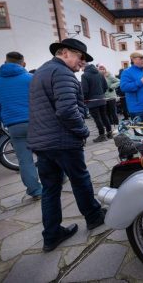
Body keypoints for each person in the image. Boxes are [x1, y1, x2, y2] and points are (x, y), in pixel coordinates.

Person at [28, 38, 106, 252]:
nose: (82, 63)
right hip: (62, 141)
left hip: (43, 142)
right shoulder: (62, 73)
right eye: (81, 57)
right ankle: (94, 216)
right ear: (65, 53)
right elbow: (66, 110)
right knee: (80, 179)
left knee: (50, 189)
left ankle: (51, 235)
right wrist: (83, 130)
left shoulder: (41, 72)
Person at [0, 52, 42, 199]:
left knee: (25, 160)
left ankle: (35, 190)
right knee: (47, 154)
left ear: (5, 62)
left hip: (14, 126)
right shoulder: (31, 78)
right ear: (23, 64)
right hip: (36, 122)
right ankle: (57, 179)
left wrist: (5, 117)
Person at [81, 62, 112, 142]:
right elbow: (105, 87)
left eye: (81, 66)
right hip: (102, 99)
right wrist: (101, 95)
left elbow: (85, 90)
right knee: (104, 116)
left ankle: (102, 135)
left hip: (92, 101)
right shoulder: (100, 74)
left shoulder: (84, 75)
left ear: (85, 66)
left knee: (97, 118)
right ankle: (109, 133)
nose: (81, 69)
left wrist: (85, 99)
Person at [120, 53, 143, 123]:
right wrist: (140, 82)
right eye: (140, 59)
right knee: (139, 132)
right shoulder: (127, 72)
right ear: (133, 60)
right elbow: (124, 87)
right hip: (137, 109)